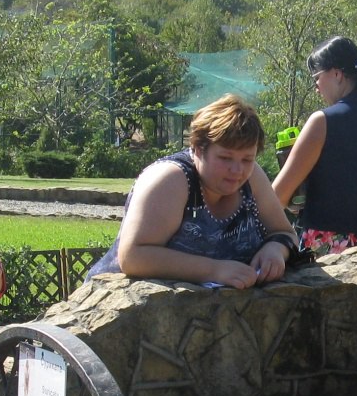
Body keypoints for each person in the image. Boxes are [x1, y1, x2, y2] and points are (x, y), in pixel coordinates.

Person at [85, 95, 300, 288]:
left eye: (247, 159)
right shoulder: (169, 180)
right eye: (225, 158)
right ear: (198, 149)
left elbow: (285, 233)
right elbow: (133, 256)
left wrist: (275, 250)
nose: (237, 170)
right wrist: (214, 270)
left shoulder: (252, 178)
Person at [271, 36, 357, 256]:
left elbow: (277, 196)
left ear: (337, 74)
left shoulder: (322, 121)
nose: (316, 87)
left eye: (316, 78)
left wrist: (293, 202)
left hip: (326, 250)